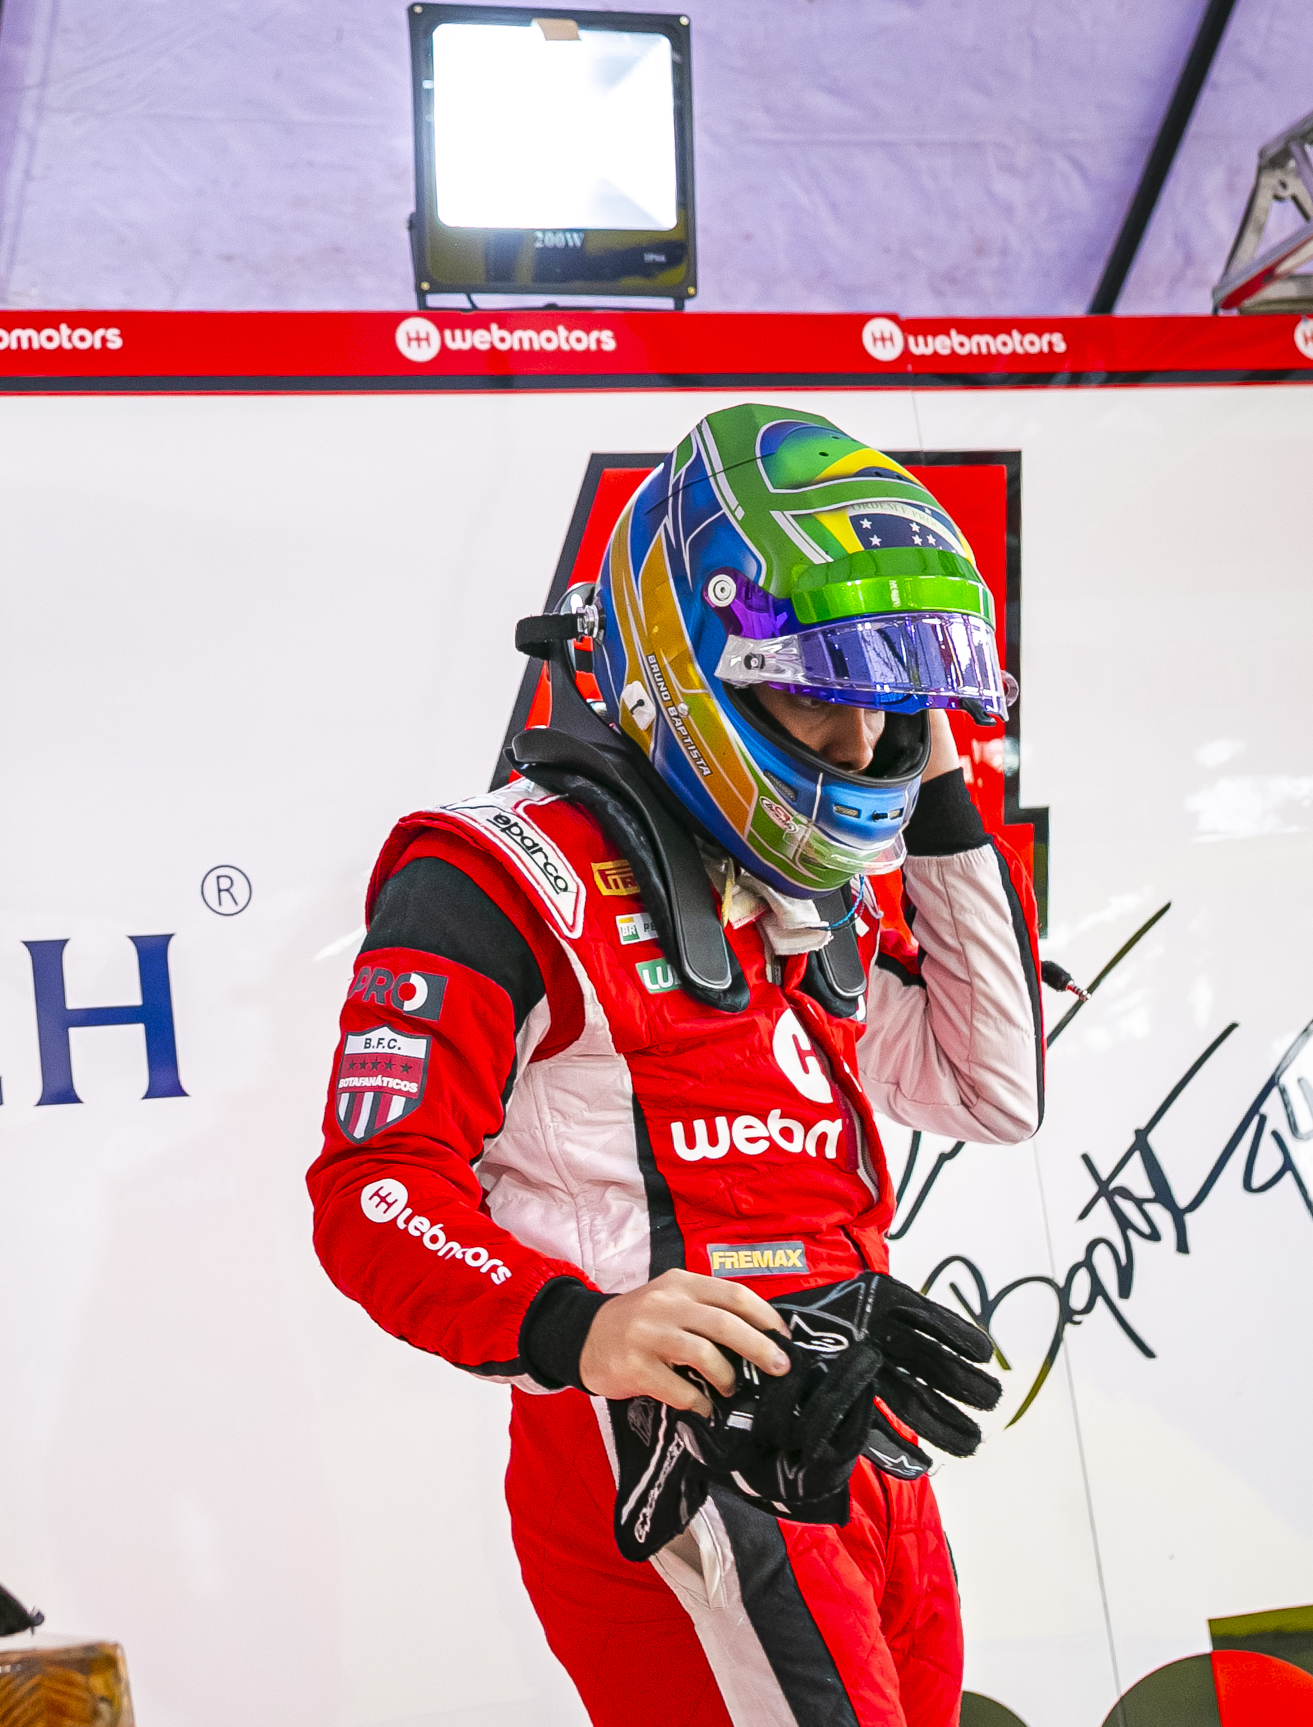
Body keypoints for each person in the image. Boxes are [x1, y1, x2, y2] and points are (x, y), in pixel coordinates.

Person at [308, 405, 1042, 1727]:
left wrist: (938, 792)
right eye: (822, 692)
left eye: (888, 705)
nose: (858, 747)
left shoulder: (810, 887)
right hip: (662, 1458)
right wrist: (580, 1329)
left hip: (856, 1432)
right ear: (690, 660)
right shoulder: (493, 874)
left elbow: (989, 1088)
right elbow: (375, 1190)